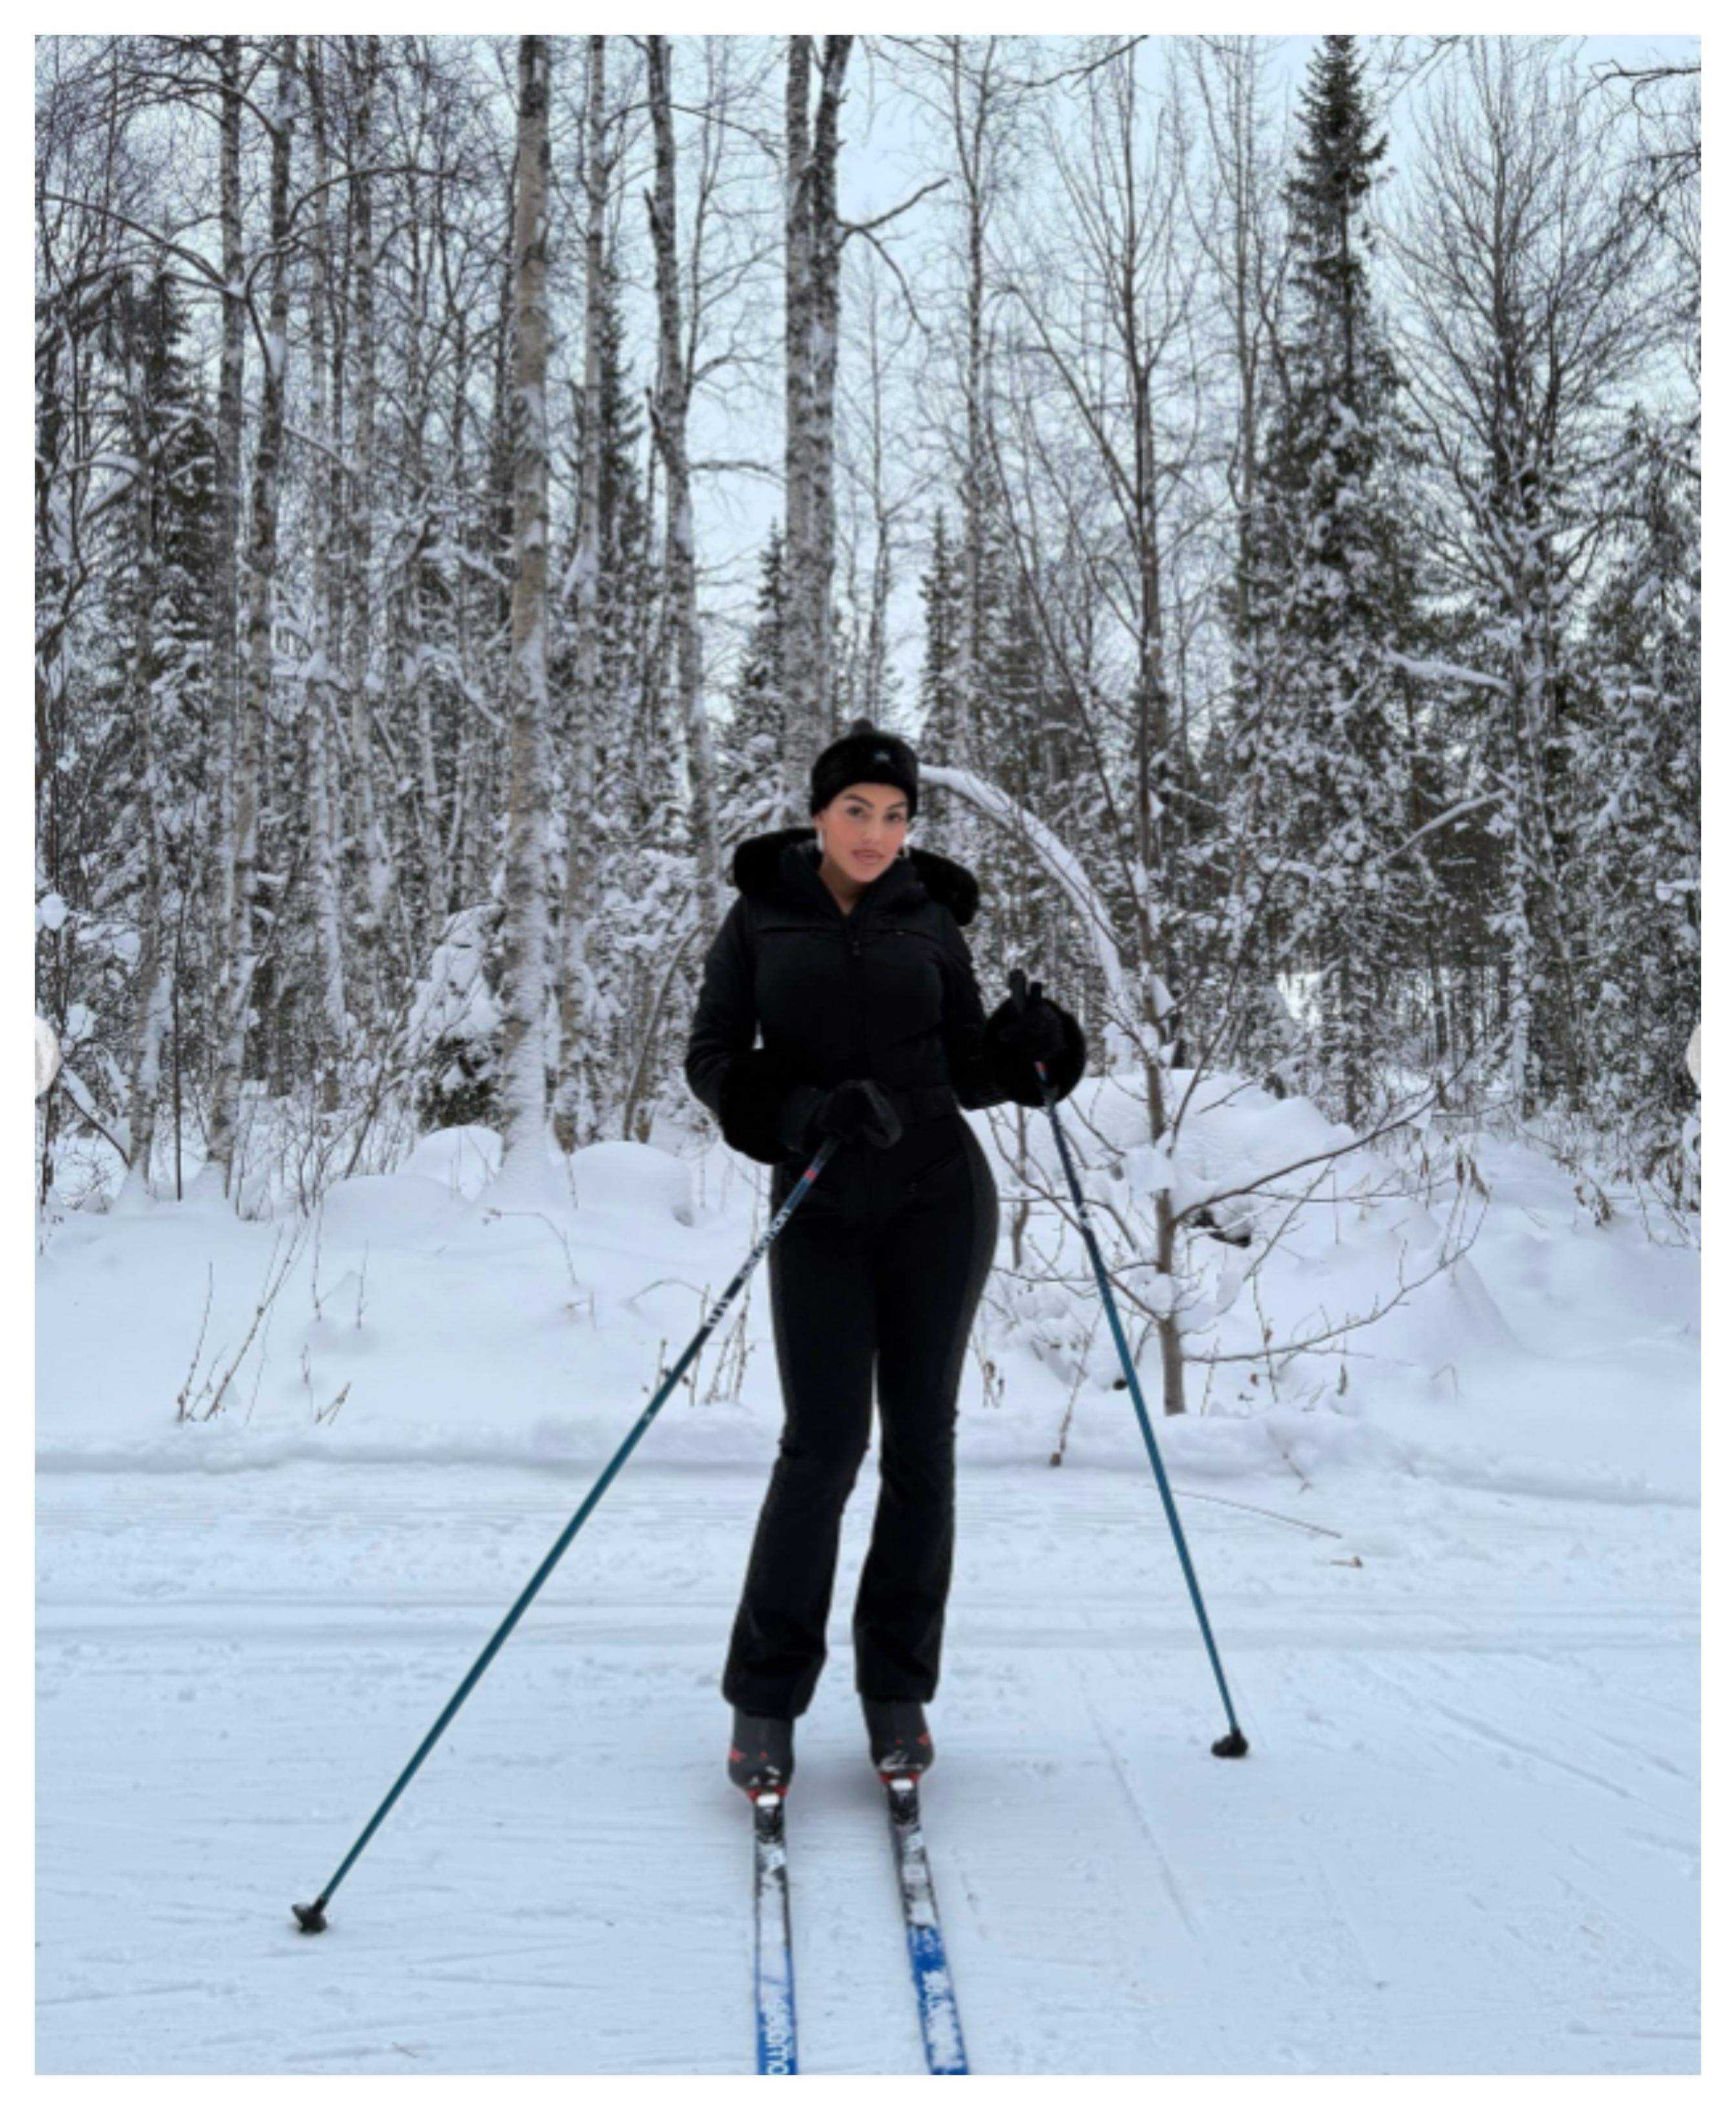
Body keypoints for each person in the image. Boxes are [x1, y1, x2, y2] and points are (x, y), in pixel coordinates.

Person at [684, 718, 1086, 1797]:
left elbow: (966, 1067)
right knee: (821, 1445)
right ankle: (764, 1700)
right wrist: (807, 1110)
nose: (875, 833)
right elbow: (714, 1059)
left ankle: (895, 1689)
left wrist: (1034, 1047)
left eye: (895, 815)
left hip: (936, 1206)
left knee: (921, 1447)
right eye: (856, 810)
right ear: (819, 813)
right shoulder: (762, 914)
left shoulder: (929, 919)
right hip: (817, 1199)